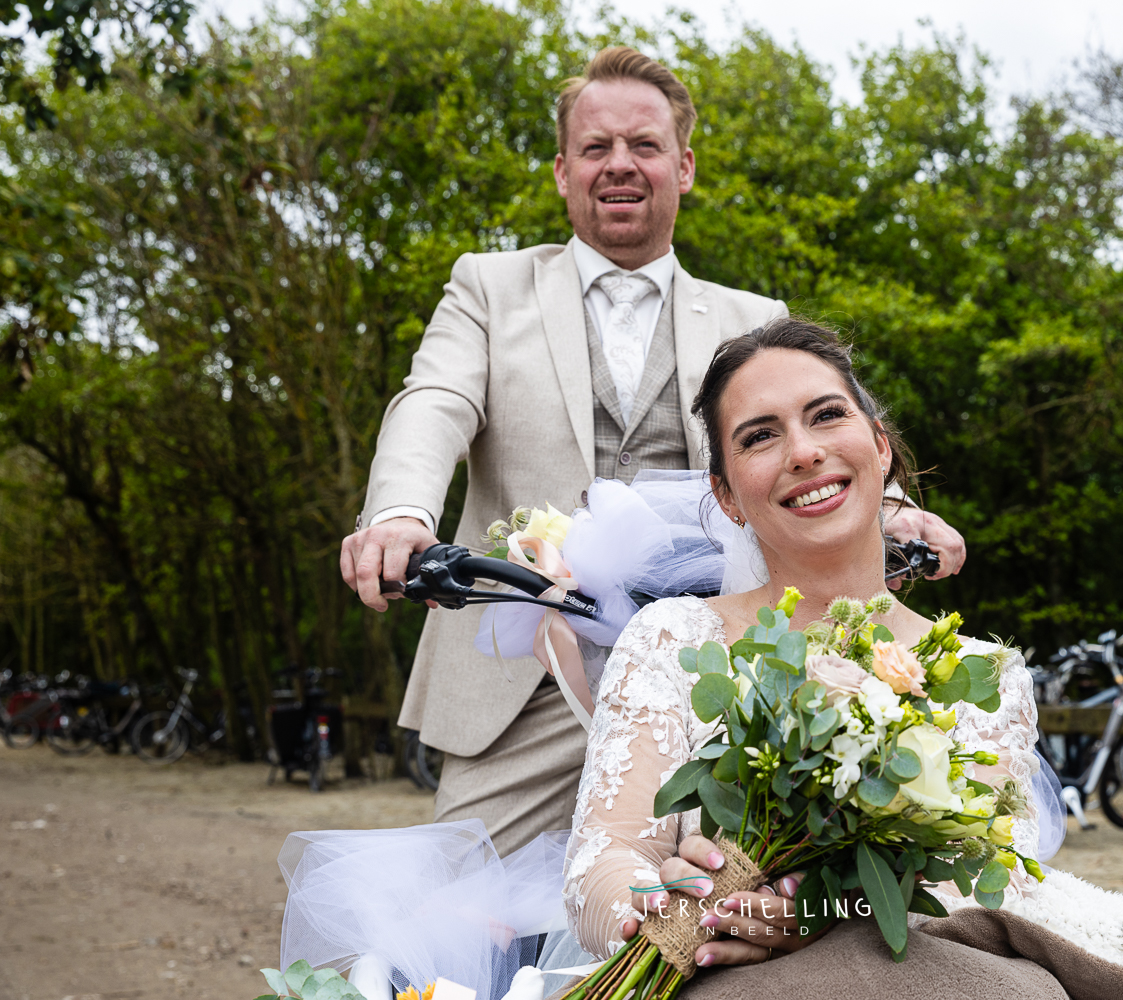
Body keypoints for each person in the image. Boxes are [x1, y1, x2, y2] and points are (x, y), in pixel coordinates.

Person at [338, 47, 967, 857]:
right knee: (465, 919)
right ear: (563, 172)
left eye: (644, 145)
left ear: (685, 166)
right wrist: (399, 514)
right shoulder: (487, 287)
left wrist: (894, 510)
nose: (620, 165)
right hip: (518, 680)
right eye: (596, 148)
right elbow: (435, 402)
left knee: (722, 908)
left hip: (717, 676)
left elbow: (804, 443)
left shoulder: (751, 313)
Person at [557, 318, 1123, 1000]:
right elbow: (604, 861)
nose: (804, 451)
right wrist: (672, 915)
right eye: (759, 436)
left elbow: (988, 893)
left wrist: (815, 908)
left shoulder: (987, 677)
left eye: (826, 416)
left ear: (880, 446)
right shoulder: (674, 640)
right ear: (727, 496)